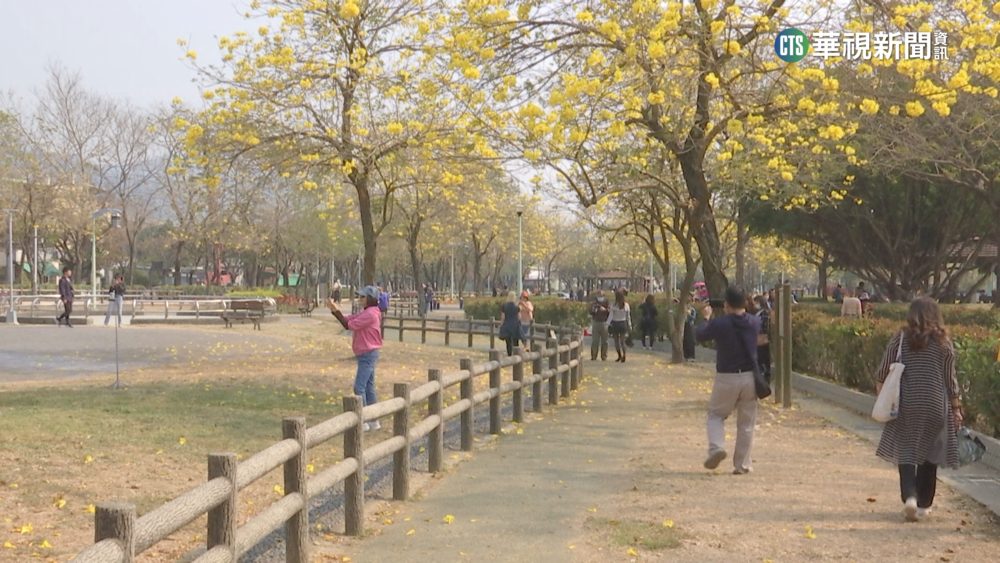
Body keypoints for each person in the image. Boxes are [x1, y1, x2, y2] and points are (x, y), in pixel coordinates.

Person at [875, 297, 961, 522]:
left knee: (907, 450)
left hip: (908, 402)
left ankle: (909, 497)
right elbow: (950, 380)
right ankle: (924, 504)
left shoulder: (901, 338)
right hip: (935, 403)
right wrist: (956, 408)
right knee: (930, 452)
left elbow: (883, 371)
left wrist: (883, 396)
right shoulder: (944, 342)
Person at [696, 286, 761, 474]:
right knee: (746, 423)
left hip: (726, 376)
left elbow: (701, 335)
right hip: (750, 377)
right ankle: (742, 464)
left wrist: (706, 317)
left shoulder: (720, 323)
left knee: (716, 415)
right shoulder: (754, 322)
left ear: (726, 304)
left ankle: (716, 447)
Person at [328, 286, 384, 431]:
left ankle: (363, 420)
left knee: (359, 387)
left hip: (368, 354)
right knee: (368, 388)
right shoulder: (368, 312)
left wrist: (335, 310)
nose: (360, 299)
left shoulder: (370, 314)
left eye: (363, 297)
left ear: (371, 299)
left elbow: (348, 325)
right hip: (367, 353)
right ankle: (373, 420)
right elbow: (348, 319)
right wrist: (335, 311)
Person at [607, 290, 632, 362]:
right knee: (622, 341)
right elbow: (628, 317)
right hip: (623, 323)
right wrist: (629, 325)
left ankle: (619, 355)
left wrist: (607, 324)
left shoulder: (614, 305)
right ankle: (624, 355)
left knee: (616, 341)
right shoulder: (626, 305)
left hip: (615, 323)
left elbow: (611, 316)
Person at [753, 295, 771, 383]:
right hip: (757, 339)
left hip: (762, 340)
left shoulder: (764, 313)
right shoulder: (758, 313)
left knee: (763, 359)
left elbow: (763, 327)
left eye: (756, 302)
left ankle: (765, 378)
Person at [589, 290, 611, 361]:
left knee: (605, 341)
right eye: (599, 296)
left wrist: (604, 309)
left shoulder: (607, 303)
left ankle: (604, 356)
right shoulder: (594, 303)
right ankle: (593, 356)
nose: (600, 297)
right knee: (595, 340)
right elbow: (590, 312)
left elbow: (610, 312)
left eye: (601, 296)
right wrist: (593, 310)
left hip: (604, 322)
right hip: (596, 322)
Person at [498, 291, 521, 356]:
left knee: (508, 342)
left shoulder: (504, 306)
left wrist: (501, 325)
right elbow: (519, 317)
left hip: (507, 325)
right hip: (515, 325)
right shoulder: (517, 307)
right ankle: (516, 355)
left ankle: (509, 354)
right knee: (515, 341)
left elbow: (503, 317)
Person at [683, 297, 697, 361]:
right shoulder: (683, 309)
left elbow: (693, 318)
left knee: (690, 340)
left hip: (690, 325)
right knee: (685, 340)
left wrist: (689, 314)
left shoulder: (692, 310)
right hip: (684, 324)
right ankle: (685, 355)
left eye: (688, 303)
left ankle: (691, 356)